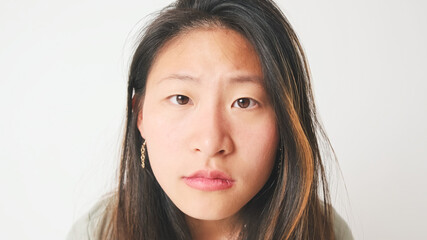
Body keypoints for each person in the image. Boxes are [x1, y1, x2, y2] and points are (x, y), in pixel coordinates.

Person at [67, 0, 353, 239]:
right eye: (181, 99)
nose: (211, 142)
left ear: (285, 122)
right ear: (139, 113)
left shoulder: (323, 232)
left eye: (244, 102)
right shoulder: (100, 232)